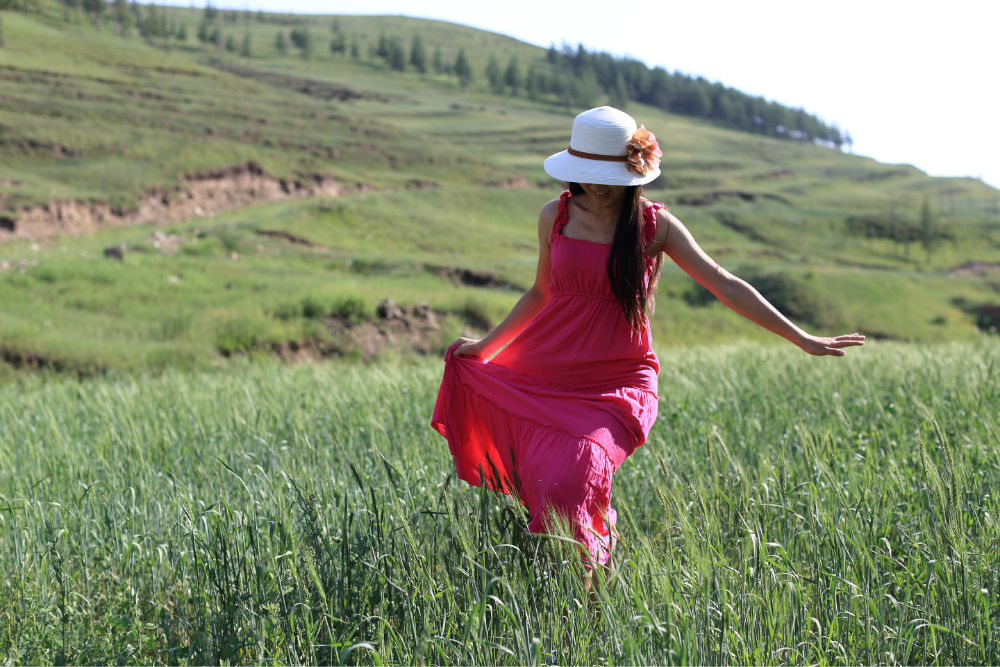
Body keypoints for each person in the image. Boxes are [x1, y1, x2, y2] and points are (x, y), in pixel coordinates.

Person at [431, 106, 864, 566]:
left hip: (617, 384)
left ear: (632, 170)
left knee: (572, 481)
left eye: (609, 174)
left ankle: (593, 599)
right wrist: (485, 348)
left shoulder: (654, 227)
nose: (597, 185)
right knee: (549, 486)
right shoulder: (554, 217)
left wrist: (800, 337)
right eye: (588, 172)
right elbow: (540, 292)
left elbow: (725, 283)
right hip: (547, 371)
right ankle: (569, 590)